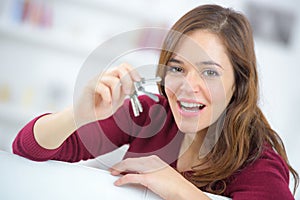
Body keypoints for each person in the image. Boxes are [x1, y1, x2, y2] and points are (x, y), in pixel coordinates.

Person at [12, 4, 298, 200]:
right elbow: (26, 149)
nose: (188, 87)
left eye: (209, 72)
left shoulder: (256, 161)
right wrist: (79, 114)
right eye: (177, 68)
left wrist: (181, 190)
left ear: (239, 84)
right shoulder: (151, 114)